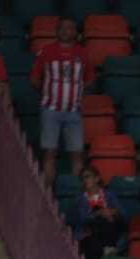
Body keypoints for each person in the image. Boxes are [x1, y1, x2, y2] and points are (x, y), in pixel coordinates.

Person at [32, 16, 90, 187]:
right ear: (57, 31)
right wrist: (51, 92)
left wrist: (74, 90)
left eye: (69, 28)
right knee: (49, 154)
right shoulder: (47, 51)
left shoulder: (83, 53)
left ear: (75, 32)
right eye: (62, 28)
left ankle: (76, 195)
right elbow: (34, 80)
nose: (65, 31)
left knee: (77, 155)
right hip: (50, 110)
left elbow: (90, 80)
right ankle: (47, 195)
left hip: (74, 111)